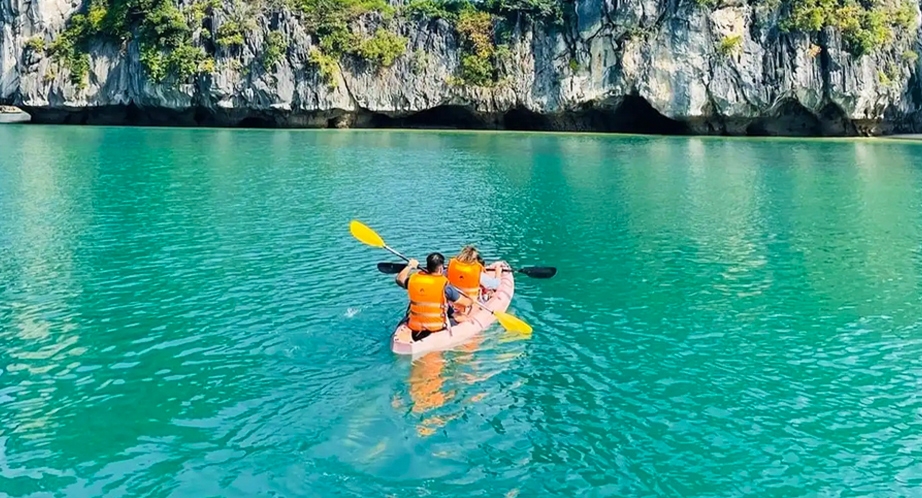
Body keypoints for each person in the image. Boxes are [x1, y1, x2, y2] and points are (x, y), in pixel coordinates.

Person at [395, 252, 473, 342]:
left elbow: (399, 279)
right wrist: (471, 300)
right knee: (464, 319)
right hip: (436, 328)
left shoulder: (413, 280)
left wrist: (410, 266)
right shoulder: (445, 286)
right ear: (440, 268)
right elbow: (465, 303)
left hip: (415, 327)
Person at [446, 245, 505, 317]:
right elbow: (495, 285)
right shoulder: (475, 272)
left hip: (451, 303)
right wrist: (498, 272)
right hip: (467, 305)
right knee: (488, 293)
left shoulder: (451, 268)